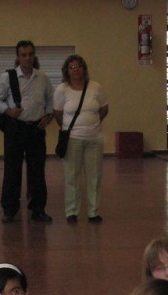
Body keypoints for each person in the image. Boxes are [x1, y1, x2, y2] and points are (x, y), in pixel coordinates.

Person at [0, 40, 55, 224]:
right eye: (24, 55)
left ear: (34, 56)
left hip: (36, 129)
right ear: (18, 57)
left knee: (37, 170)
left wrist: (48, 116)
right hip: (15, 129)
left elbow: (50, 99)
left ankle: (38, 209)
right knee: (12, 170)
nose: (27, 58)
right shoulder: (8, 77)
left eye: (30, 54)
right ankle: (9, 209)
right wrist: (9, 111)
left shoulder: (42, 78)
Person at [53, 54, 109, 223]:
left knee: (94, 177)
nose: (75, 70)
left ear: (84, 69)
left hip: (94, 139)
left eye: (78, 66)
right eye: (71, 67)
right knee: (72, 177)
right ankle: (71, 211)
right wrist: (70, 127)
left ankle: (93, 212)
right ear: (67, 71)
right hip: (72, 139)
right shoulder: (62, 90)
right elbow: (57, 113)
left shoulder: (96, 87)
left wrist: (92, 123)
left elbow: (104, 109)